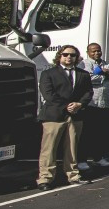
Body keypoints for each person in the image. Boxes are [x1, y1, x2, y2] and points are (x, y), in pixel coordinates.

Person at [37, 45, 93, 189]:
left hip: (76, 115)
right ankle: (45, 178)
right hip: (53, 115)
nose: (69, 57)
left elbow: (88, 92)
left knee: (72, 147)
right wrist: (67, 105)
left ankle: (73, 175)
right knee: (49, 149)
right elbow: (48, 94)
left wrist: (79, 104)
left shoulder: (83, 74)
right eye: (66, 54)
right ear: (60, 56)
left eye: (73, 55)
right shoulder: (48, 73)